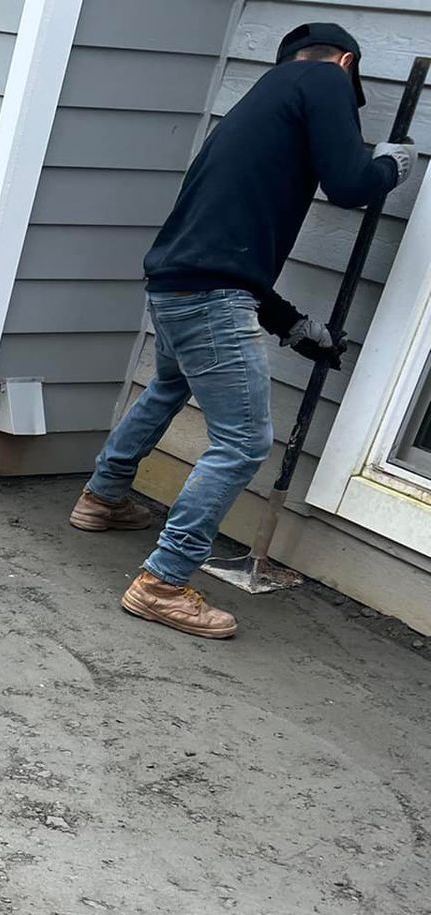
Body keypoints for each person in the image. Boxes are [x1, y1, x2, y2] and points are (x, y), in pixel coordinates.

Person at [68, 21, 414, 639]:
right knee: (243, 442)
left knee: (169, 386)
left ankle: (101, 497)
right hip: (210, 296)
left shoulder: (260, 103)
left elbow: (229, 248)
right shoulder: (325, 78)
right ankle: (163, 582)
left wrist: (290, 324)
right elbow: (349, 185)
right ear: (348, 61)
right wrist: (388, 166)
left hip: (175, 285)